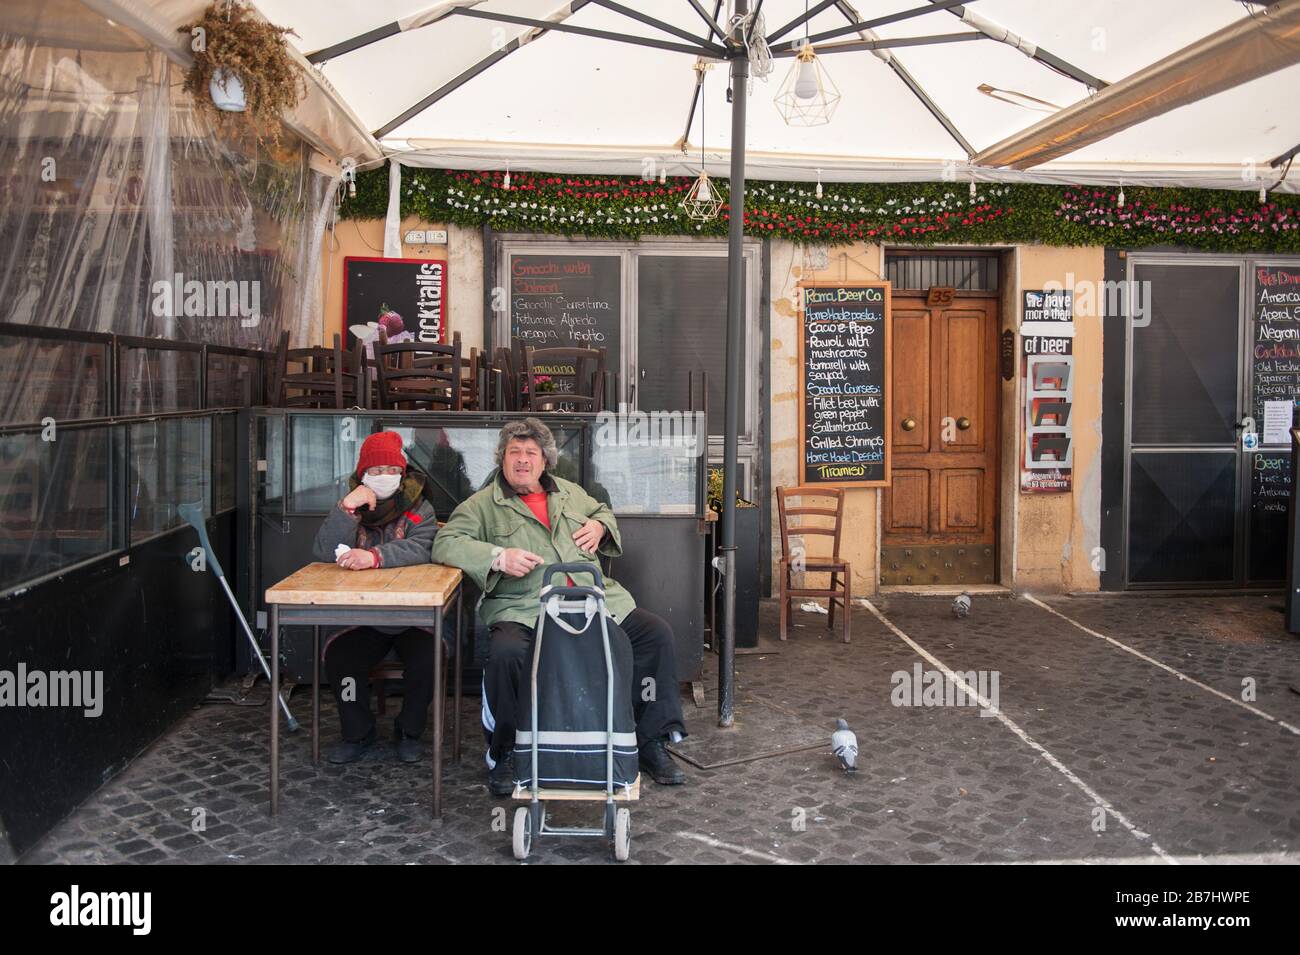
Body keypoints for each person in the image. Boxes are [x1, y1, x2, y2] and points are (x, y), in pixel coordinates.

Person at [432, 418, 687, 795]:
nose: (522, 460)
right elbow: (446, 542)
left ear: (545, 460)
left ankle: (648, 741)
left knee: (653, 635)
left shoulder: (569, 493)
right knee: (505, 654)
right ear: (502, 458)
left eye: (530, 453)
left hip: (592, 602)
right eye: (514, 452)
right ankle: (506, 750)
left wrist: (600, 527)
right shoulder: (482, 504)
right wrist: (497, 556)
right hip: (524, 608)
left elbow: (603, 511)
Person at [311, 430, 440, 764]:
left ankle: (409, 730)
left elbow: (424, 546)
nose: (386, 477)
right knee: (341, 657)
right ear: (363, 474)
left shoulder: (418, 507)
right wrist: (346, 509)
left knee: (428, 658)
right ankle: (357, 732)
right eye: (377, 470)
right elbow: (323, 552)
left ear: (403, 473)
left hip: (415, 616)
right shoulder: (350, 505)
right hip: (362, 617)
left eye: (393, 470)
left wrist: (374, 557)